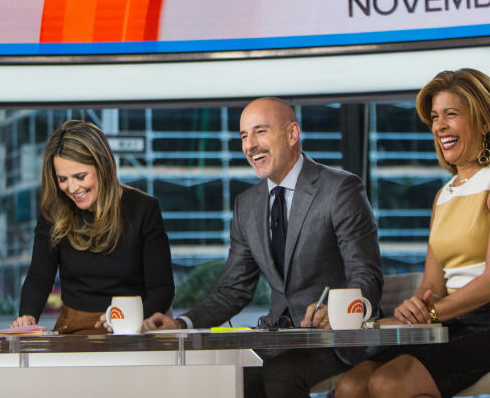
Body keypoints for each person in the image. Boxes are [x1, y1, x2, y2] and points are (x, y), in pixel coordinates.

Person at [143, 97, 383, 398]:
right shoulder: (247, 205)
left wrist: (337, 311)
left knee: (280, 376)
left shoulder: (340, 189)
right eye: (244, 136)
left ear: (292, 134)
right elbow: (233, 290)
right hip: (280, 340)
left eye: (260, 131)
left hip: (338, 341)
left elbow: (366, 274)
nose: (250, 145)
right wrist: (181, 323)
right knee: (232, 375)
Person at [335, 68, 490, 398]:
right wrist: (413, 310)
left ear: (485, 120)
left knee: (389, 383)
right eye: (435, 117)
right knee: (350, 385)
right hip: (453, 323)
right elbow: (432, 287)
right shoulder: (444, 194)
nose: (439, 126)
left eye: (451, 114)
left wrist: (432, 313)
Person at [11, 119, 174, 334]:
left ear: (102, 166)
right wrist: (27, 316)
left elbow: (162, 289)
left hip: (131, 330)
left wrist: (131, 321)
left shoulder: (144, 209)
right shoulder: (54, 213)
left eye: (80, 177)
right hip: (74, 329)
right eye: (62, 179)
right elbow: (38, 279)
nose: (72, 188)